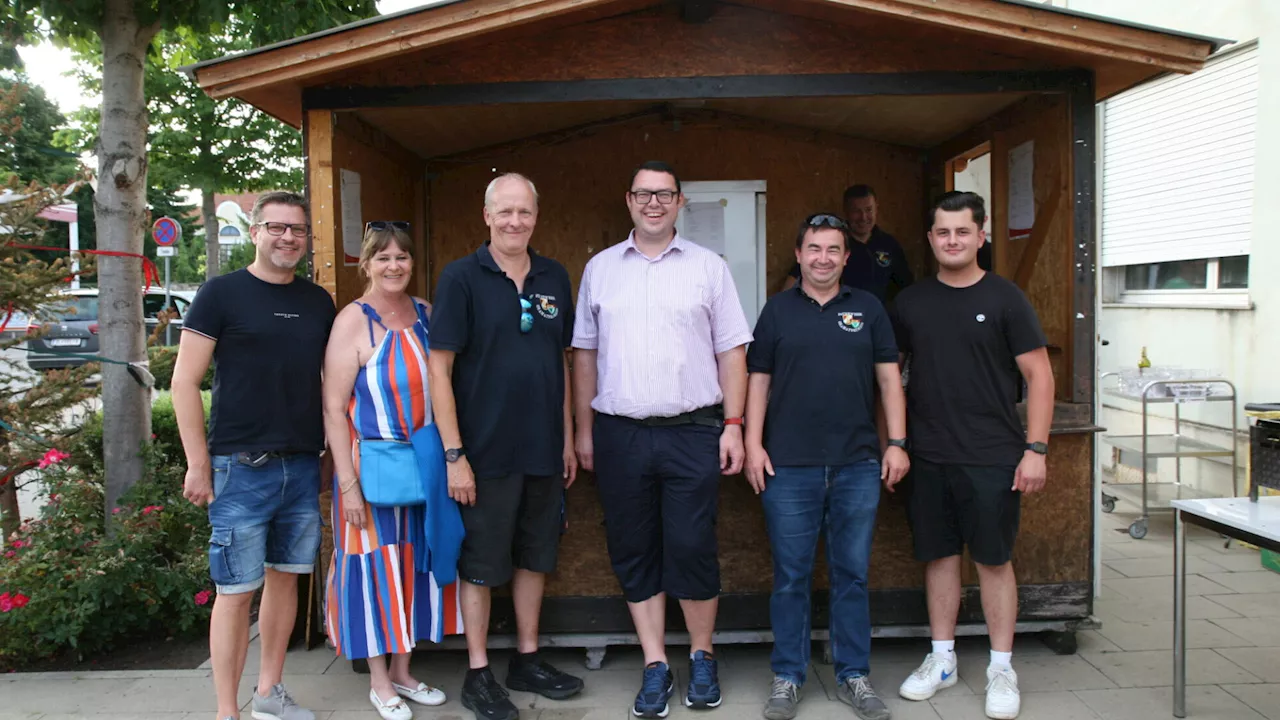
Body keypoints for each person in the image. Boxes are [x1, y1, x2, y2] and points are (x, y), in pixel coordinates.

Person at [572, 160, 753, 719]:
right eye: (644, 194)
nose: (654, 203)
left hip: (693, 431)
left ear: (680, 203)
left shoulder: (709, 269)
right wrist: (583, 431)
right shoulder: (600, 269)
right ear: (628, 200)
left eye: (665, 194)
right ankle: (655, 663)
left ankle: (702, 656)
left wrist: (734, 425)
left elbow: (733, 354)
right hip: (619, 434)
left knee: (692, 545)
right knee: (633, 547)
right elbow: (584, 355)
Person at [427, 173, 584, 720]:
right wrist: (454, 454)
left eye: (524, 212)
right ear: (486, 215)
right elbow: (439, 371)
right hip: (483, 455)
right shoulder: (461, 278)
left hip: (542, 451)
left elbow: (562, 364)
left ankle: (527, 658)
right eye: (505, 212)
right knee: (482, 563)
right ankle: (477, 672)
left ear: (536, 216)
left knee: (535, 558)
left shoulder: (554, 277)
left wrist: (565, 438)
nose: (515, 221)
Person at [174, 191, 336, 720]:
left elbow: (330, 387)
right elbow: (183, 383)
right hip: (238, 468)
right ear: (255, 231)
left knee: (285, 580)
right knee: (236, 592)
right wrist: (198, 464)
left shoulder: (318, 302)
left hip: (302, 464)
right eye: (276, 227)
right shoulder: (220, 294)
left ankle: (268, 693)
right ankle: (228, 711)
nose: (288, 237)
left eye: (297, 229)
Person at [892, 192, 1054, 720]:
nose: (952, 240)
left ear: (981, 236)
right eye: (943, 232)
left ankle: (1001, 667)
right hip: (929, 454)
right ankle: (942, 660)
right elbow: (888, 380)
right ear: (932, 238)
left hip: (993, 456)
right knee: (938, 557)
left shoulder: (1007, 298)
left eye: (963, 231)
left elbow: (1039, 376)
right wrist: (891, 443)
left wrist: (1035, 450)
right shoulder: (911, 303)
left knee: (992, 560)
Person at [746, 213, 910, 720]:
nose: (822, 258)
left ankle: (853, 675)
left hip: (857, 465)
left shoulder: (869, 308)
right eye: (813, 248)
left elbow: (889, 382)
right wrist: (753, 444)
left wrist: (898, 443)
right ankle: (788, 676)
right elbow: (758, 381)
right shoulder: (776, 311)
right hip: (788, 467)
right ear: (798, 255)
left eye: (833, 249)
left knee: (852, 575)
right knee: (791, 577)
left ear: (846, 256)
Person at [322, 222, 461, 720]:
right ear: (366, 263)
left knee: (413, 565)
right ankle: (379, 681)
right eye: (383, 258)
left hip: (423, 465)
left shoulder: (426, 313)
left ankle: (404, 670)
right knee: (373, 568)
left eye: (402, 257)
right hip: (372, 470)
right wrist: (348, 487)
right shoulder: (352, 323)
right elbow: (334, 410)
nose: (394, 266)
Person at [781, 185, 914, 304]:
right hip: (840, 319)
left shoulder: (888, 244)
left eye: (868, 210)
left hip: (876, 321)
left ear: (876, 208)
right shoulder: (832, 243)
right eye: (856, 211)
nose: (863, 217)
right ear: (846, 211)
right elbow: (793, 282)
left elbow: (907, 287)